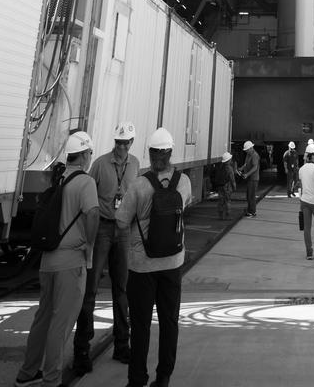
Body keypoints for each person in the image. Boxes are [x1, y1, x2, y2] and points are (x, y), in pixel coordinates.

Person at [16, 131, 99, 387]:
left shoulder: (59, 179)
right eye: (89, 153)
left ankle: (27, 374)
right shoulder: (85, 182)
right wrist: (89, 245)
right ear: (84, 155)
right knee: (61, 325)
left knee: (43, 319)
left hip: (48, 261)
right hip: (70, 264)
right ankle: (52, 379)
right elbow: (93, 215)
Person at [116, 127, 192, 387]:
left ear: (150, 154)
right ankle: (164, 377)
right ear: (170, 153)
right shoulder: (184, 182)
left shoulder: (138, 185)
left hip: (142, 265)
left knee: (140, 324)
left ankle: (137, 379)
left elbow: (121, 221)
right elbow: (183, 209)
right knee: (170, 321)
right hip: (173, 262)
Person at [72, 121, 140, 373]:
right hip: (101, 229)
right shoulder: (100, 165)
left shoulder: (135, 165)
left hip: (122, 231)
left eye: (126, 143)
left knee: (121, 290)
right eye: (118, 143)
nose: (121, 147)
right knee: (90, 290)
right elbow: (87, 196)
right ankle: (81, 350)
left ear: (132, 143)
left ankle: (122, 344)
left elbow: (134, 196)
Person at [297, 141, 314, 261]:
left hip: (304, 201)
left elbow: (301, 186)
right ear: (312, 156)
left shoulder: (301, 169)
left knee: (307, 228)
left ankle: (309, 253)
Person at [238, 140, 260, 217]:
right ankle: (250, 211)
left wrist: (247, 174)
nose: (246, 151)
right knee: (248, 195)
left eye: (247, 150)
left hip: (253, 179)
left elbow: (255, 167)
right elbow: (246, 164)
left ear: (251, 148)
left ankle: (253, 212)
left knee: (251, 195)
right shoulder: (249, 154)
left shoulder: (254, 155)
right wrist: (241, 168)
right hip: (250, 178)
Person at [213, 151, 235, 219]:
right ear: (228, 160)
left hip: (220, 186)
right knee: (227, 201)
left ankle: (220, 216)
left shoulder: (220, 167)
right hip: (227, 186)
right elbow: (232, 179)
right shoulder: (229, 168)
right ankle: (227, 216)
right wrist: (234, 186)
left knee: (221, 201)